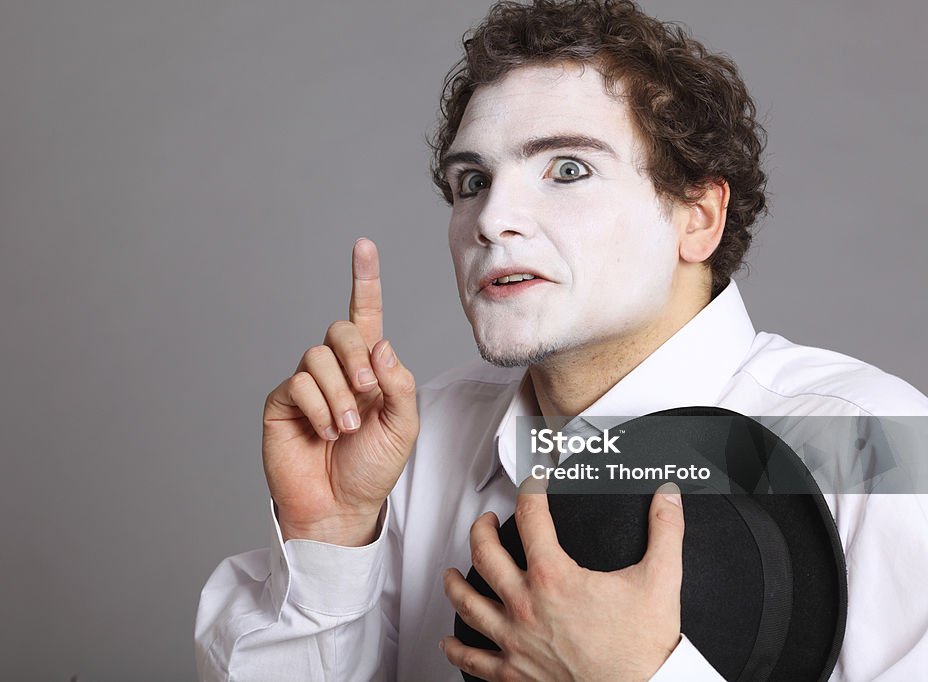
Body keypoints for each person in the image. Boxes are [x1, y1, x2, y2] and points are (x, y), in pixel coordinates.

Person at [195, 1, 928, 679]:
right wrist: (329, 536)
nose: (491, 219)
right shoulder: (414, 442)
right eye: (472, 180)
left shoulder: (876, 444)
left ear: (697, 217)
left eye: (567, 169)